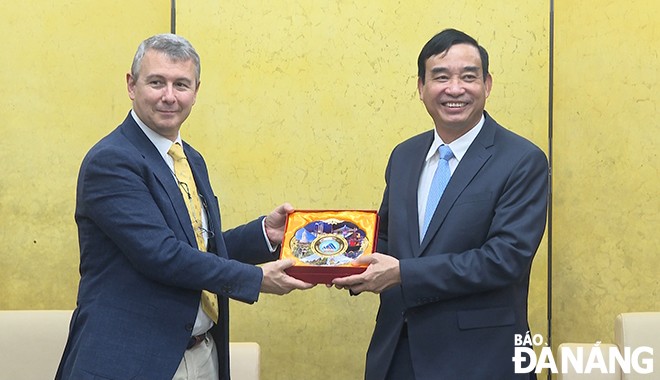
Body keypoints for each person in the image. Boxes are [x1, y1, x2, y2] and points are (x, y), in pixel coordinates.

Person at [55, 33, 314, 380]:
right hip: (131, 361)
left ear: (196, 91)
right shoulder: (111, 161)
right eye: (156, 82)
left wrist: (264, 234)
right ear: (131, 85)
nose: (169, 96)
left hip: (202, 354)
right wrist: (255, 279)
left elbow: (198, 248)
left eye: (181, 84)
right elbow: (162, 255)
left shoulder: (190, 159)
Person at [333, 28, 548, 379]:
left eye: (468, 77)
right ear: (421, 88)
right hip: (397, 352)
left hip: (481, 359)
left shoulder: (522, 160)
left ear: (487, 85)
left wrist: (402, 274)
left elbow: (504, 260)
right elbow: (387, 239)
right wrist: (342, 263)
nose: (455, 88)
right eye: (441, 76)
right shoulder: (404, 156)